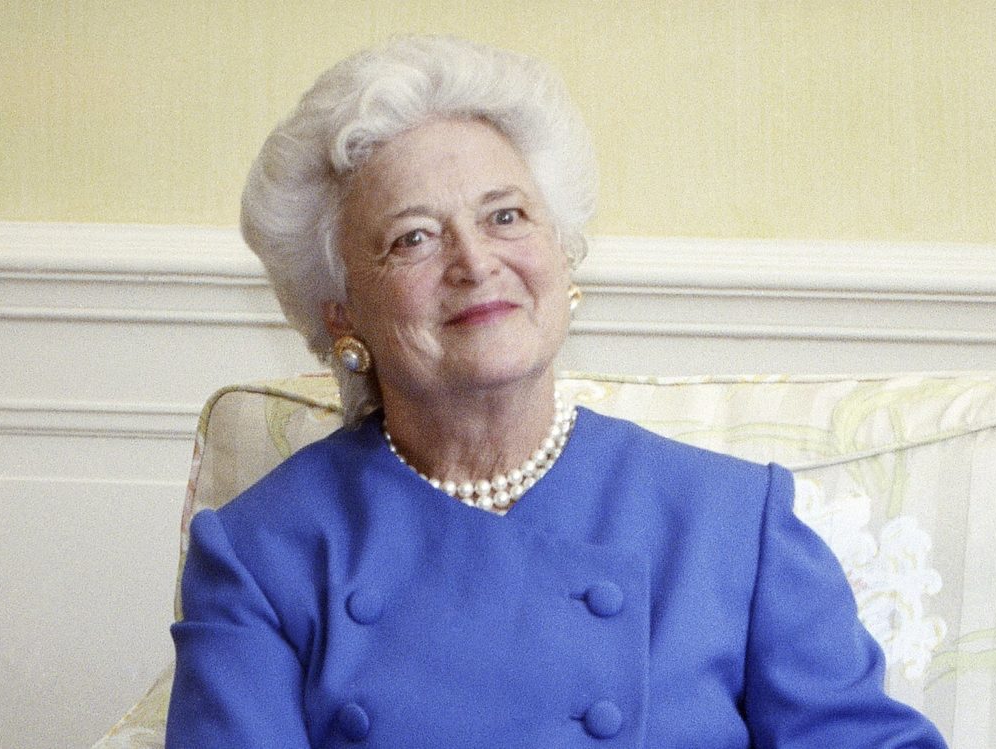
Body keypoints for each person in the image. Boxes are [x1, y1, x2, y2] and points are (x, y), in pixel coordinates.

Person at [165, 36, 947, 747]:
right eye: (414, 237)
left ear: (563, 257)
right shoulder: (261, 553)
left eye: (505, 215)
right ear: (341, 311)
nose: (475, 261)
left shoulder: (737, 524)